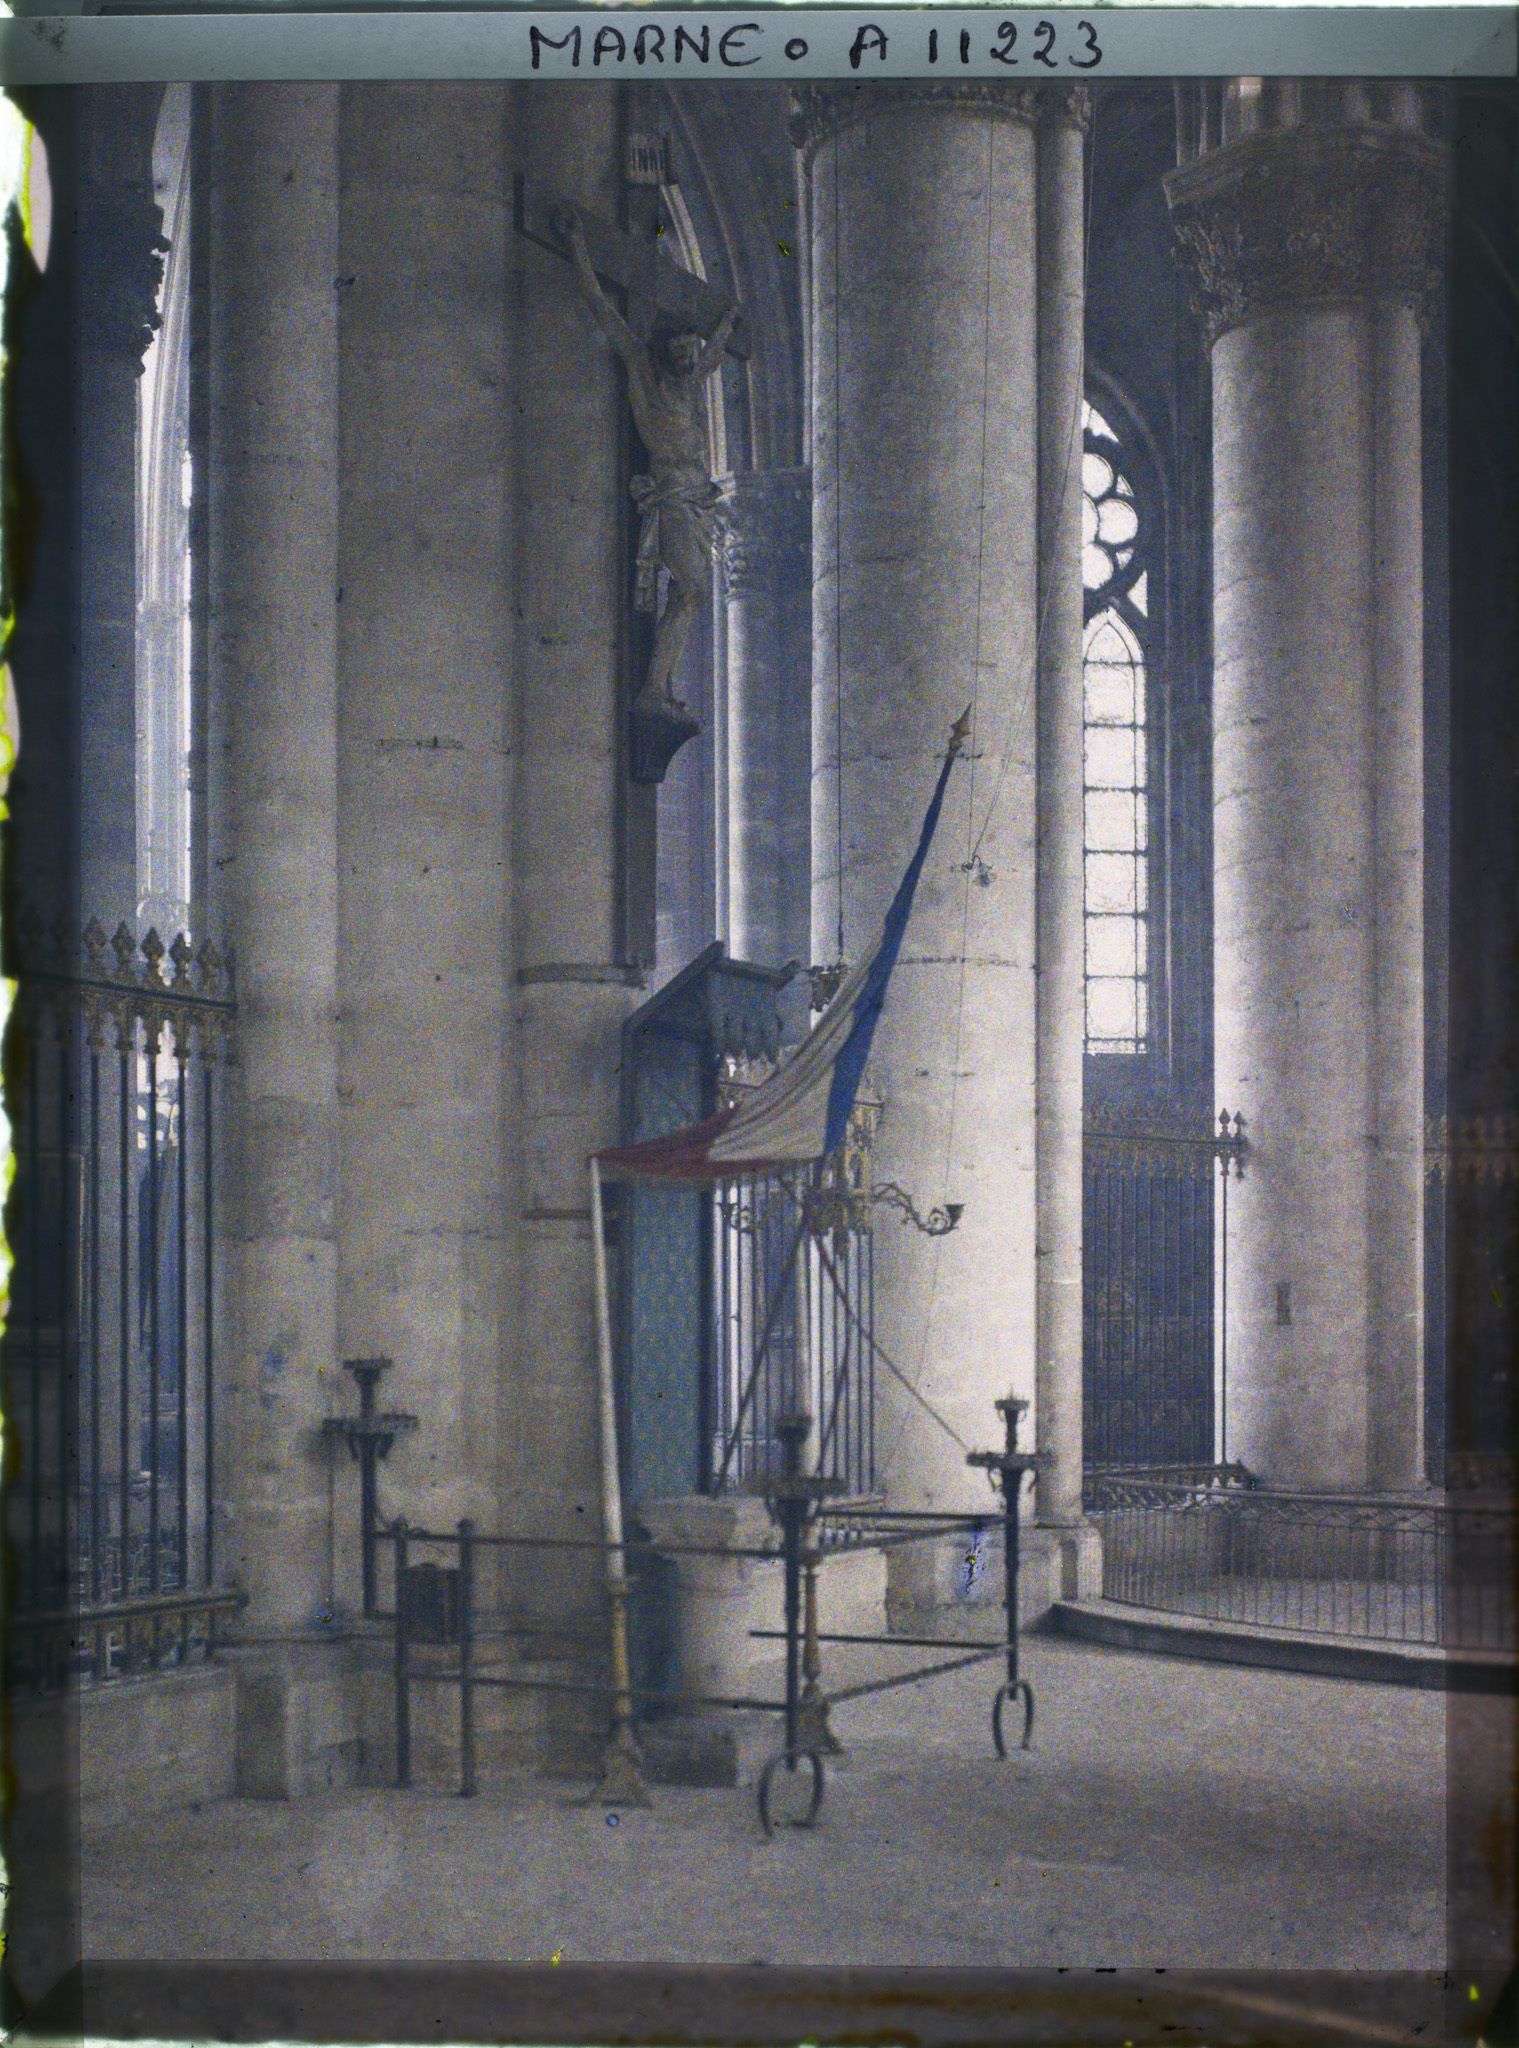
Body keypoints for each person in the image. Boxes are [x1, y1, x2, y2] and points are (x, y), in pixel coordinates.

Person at [559, 207, 738, 713]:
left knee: (690, 595)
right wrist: (579, 249)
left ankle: (658, 685)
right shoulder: (642, 371)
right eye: (679, 355)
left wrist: (725, 324)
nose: (687, 363)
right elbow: (601, 309)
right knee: (691, 593)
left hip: (696, 502)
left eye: (690, 354)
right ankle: (653, 688)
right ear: (662, 352)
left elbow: (716, 354)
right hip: (672, 500)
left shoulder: (690, 382)